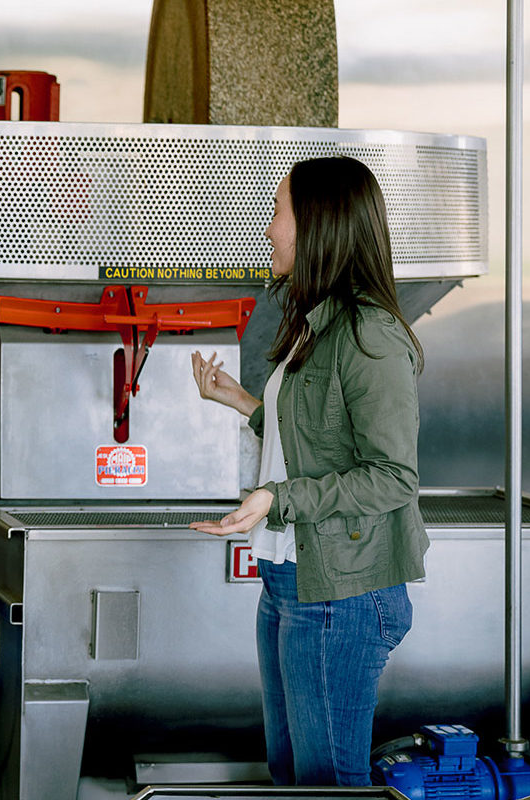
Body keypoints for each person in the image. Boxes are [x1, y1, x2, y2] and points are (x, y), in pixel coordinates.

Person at [189, 155, 428, 786]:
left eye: (278, 213)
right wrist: (241, 401)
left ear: (318, 226)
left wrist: (275, 498)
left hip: (342, 595)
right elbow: (312, 443)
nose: (268, 229)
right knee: (293, 776)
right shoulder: (314, 324)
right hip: (288, 579)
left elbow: (393, 476)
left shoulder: (369, 336)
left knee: (326, 785)